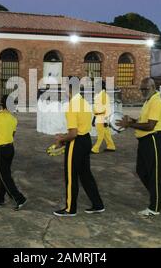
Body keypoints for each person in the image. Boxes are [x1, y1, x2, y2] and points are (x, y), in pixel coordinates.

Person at [117, 78, 161, 217]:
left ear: (152, 87)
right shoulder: (148, 101)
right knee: (141, 171)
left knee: (154, 174)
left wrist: (130, 125)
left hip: (152, 139)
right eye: (141, 89)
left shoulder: (156, 102)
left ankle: (155, 207)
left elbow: (150, 125)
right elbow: (143, 121)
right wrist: (132, 121)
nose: (142, 91)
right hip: (144, 140)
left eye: (145, 89)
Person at [53, 77, 105, 217]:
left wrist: (61, 139)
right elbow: (80, 128)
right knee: (86, 174)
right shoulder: (84, 102)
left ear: (68, 88)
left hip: (76, 143)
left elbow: (73, 133)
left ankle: (70, 208)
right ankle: (97, 204)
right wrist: (65, 136)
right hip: (86, 140)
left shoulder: (71, 106)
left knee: (71, 176)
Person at [91, 81, 116, 154]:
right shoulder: (99, 95)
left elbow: (107, 109)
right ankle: (111, 146)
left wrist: (106, 121)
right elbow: (96, 108)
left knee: (101, 134)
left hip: (102, 118)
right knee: (106, 134)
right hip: (98, 116)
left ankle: (95, 149)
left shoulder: (104, 95)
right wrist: (94, 119)